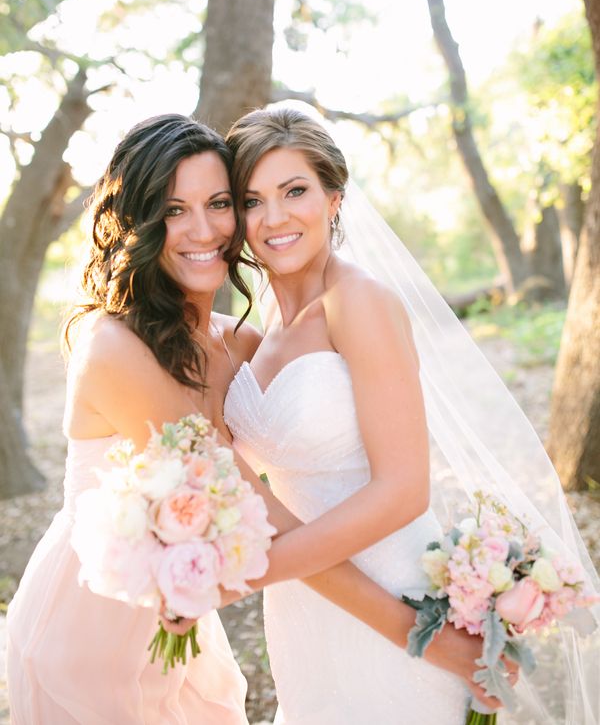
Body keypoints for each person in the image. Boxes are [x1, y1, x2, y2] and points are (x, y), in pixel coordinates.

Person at [6, 113, 498, 725]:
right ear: (137, 221)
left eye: (218, 203)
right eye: (174, 208)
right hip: (93, 624)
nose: (204, 228)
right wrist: (420, 633)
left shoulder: (237, 343)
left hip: (189, 623)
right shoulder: (114, 349)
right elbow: (254, 512)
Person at [223, 104, 600, 725]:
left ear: (335, 198)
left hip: (386, 586)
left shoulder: (359, 302)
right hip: (306, 603)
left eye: (295, 191)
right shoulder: (263, 319)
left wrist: (249, 572)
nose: (275, 217)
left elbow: (402, 490)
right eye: (252, 199)